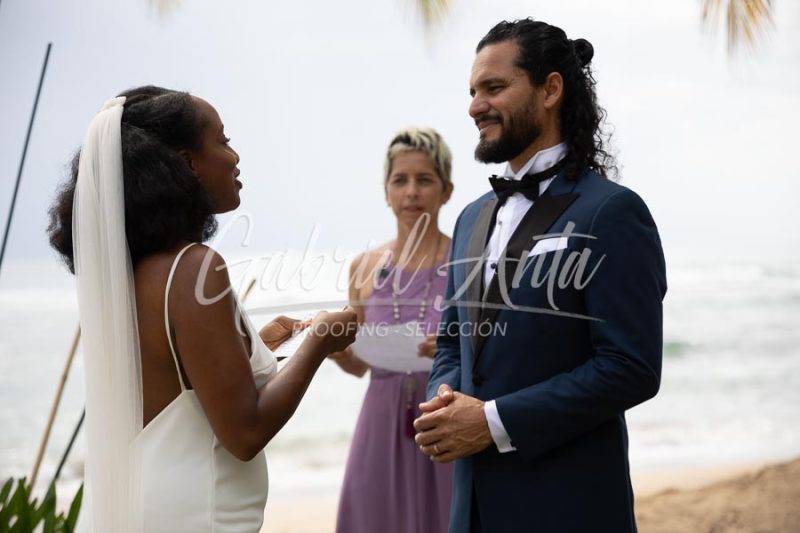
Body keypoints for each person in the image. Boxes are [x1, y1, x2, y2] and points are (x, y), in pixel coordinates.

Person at [47, 86, 358, 532]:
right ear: (186, 162)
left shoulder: (130, 271)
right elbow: (244, 433)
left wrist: (261, 347)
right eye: (223, 140)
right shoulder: (194, 267)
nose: (235, 157)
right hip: (196, 512)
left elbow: (180, 385)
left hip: (147, 502)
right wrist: (321, 342)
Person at [413, 19, 667, 533]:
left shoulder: (613, 213)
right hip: (472, 511)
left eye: (494, 87)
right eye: (472, 91)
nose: (474, 106)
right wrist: (446, 402)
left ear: (551, 89)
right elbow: (453, 342)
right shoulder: (470, 217)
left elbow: (631, 366)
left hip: (568, 506)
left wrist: (490, 422)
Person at [331, 128, 455, 532]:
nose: (412, 192)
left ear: (446, 190)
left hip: (446, 425)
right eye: (400, 180)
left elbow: (491, 356)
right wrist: (331, 348)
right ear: (386, 191)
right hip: (380, 428)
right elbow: (357, 367)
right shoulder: (363, 267)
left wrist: (455, 348)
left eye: (425, 180)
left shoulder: (466, 263)